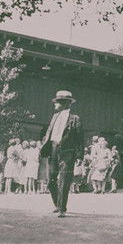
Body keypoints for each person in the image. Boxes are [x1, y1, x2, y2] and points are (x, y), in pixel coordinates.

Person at [40, 90, 84, 218]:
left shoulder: (75, 119)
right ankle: (57, 204)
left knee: (64, 181)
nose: (54, 104)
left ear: (64, 103)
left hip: (67, 153)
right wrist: (43, 146)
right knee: (50, 181)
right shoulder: (55, 116)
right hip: (53, 150)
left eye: (57, 102)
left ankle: (62, 208)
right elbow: (49, 133)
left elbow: (80, 139)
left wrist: (80, 156)